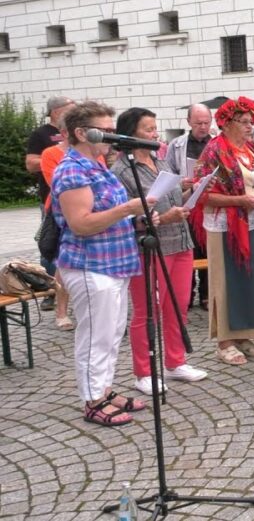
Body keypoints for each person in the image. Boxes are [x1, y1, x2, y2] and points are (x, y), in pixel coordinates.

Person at [52, 101, 152, 427]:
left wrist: (138, 217)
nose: (112, 136)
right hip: (90, 264)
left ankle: (104, 390)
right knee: (95, 335)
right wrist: (127, 209)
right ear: (81, 133)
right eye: (105, 130)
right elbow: (81, 223)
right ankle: (92, 399)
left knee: (111, 334)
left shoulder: (97, 165)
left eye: (112, 129)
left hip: (114, 263)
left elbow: (110, 214)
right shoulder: (72, 169)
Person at [111, 107, 207, 395]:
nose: (155, 134)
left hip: (180, 242)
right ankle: (143, 372)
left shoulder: (160, 160)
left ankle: (175, 362)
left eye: (155, 128)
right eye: (148, 129)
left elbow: (173, 198)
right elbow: (126, 217)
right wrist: (164, 218)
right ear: (131, 134)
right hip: (150, 248)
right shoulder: (121, 171)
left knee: (177, 306)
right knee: (147, 311)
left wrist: (196, 191)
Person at [192, 97, 254, 366]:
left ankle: (243, 334)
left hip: (253, 220)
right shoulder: (214, 150)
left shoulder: (250, 149)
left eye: (251, 121)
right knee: (226, 280)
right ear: (227, 123)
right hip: (226, 224)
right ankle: (224, 342)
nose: (249, 126)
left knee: (249, 279)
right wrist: (239, 200)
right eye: (243, 122)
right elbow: (202, 194)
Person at [26, 95, 74, 311]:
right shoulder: (41, 134)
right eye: (70, 108)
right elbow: (30, 163)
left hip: (73, 197)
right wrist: (57, 158)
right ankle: (49, 291)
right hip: (51, 197)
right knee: (51, 243)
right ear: (56, 111)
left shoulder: (76, 132)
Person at [165, 104, 214, 311]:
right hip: (187, 202)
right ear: (188, 122)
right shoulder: (176, 145)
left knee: (209, 249)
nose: (203, 127)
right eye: (198, 123)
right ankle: (187, 293)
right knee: (189, 249)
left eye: (206, 123)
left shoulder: (216, 143)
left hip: (211, 203)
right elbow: (167, 174)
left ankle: (207, 293)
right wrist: (180, 183)